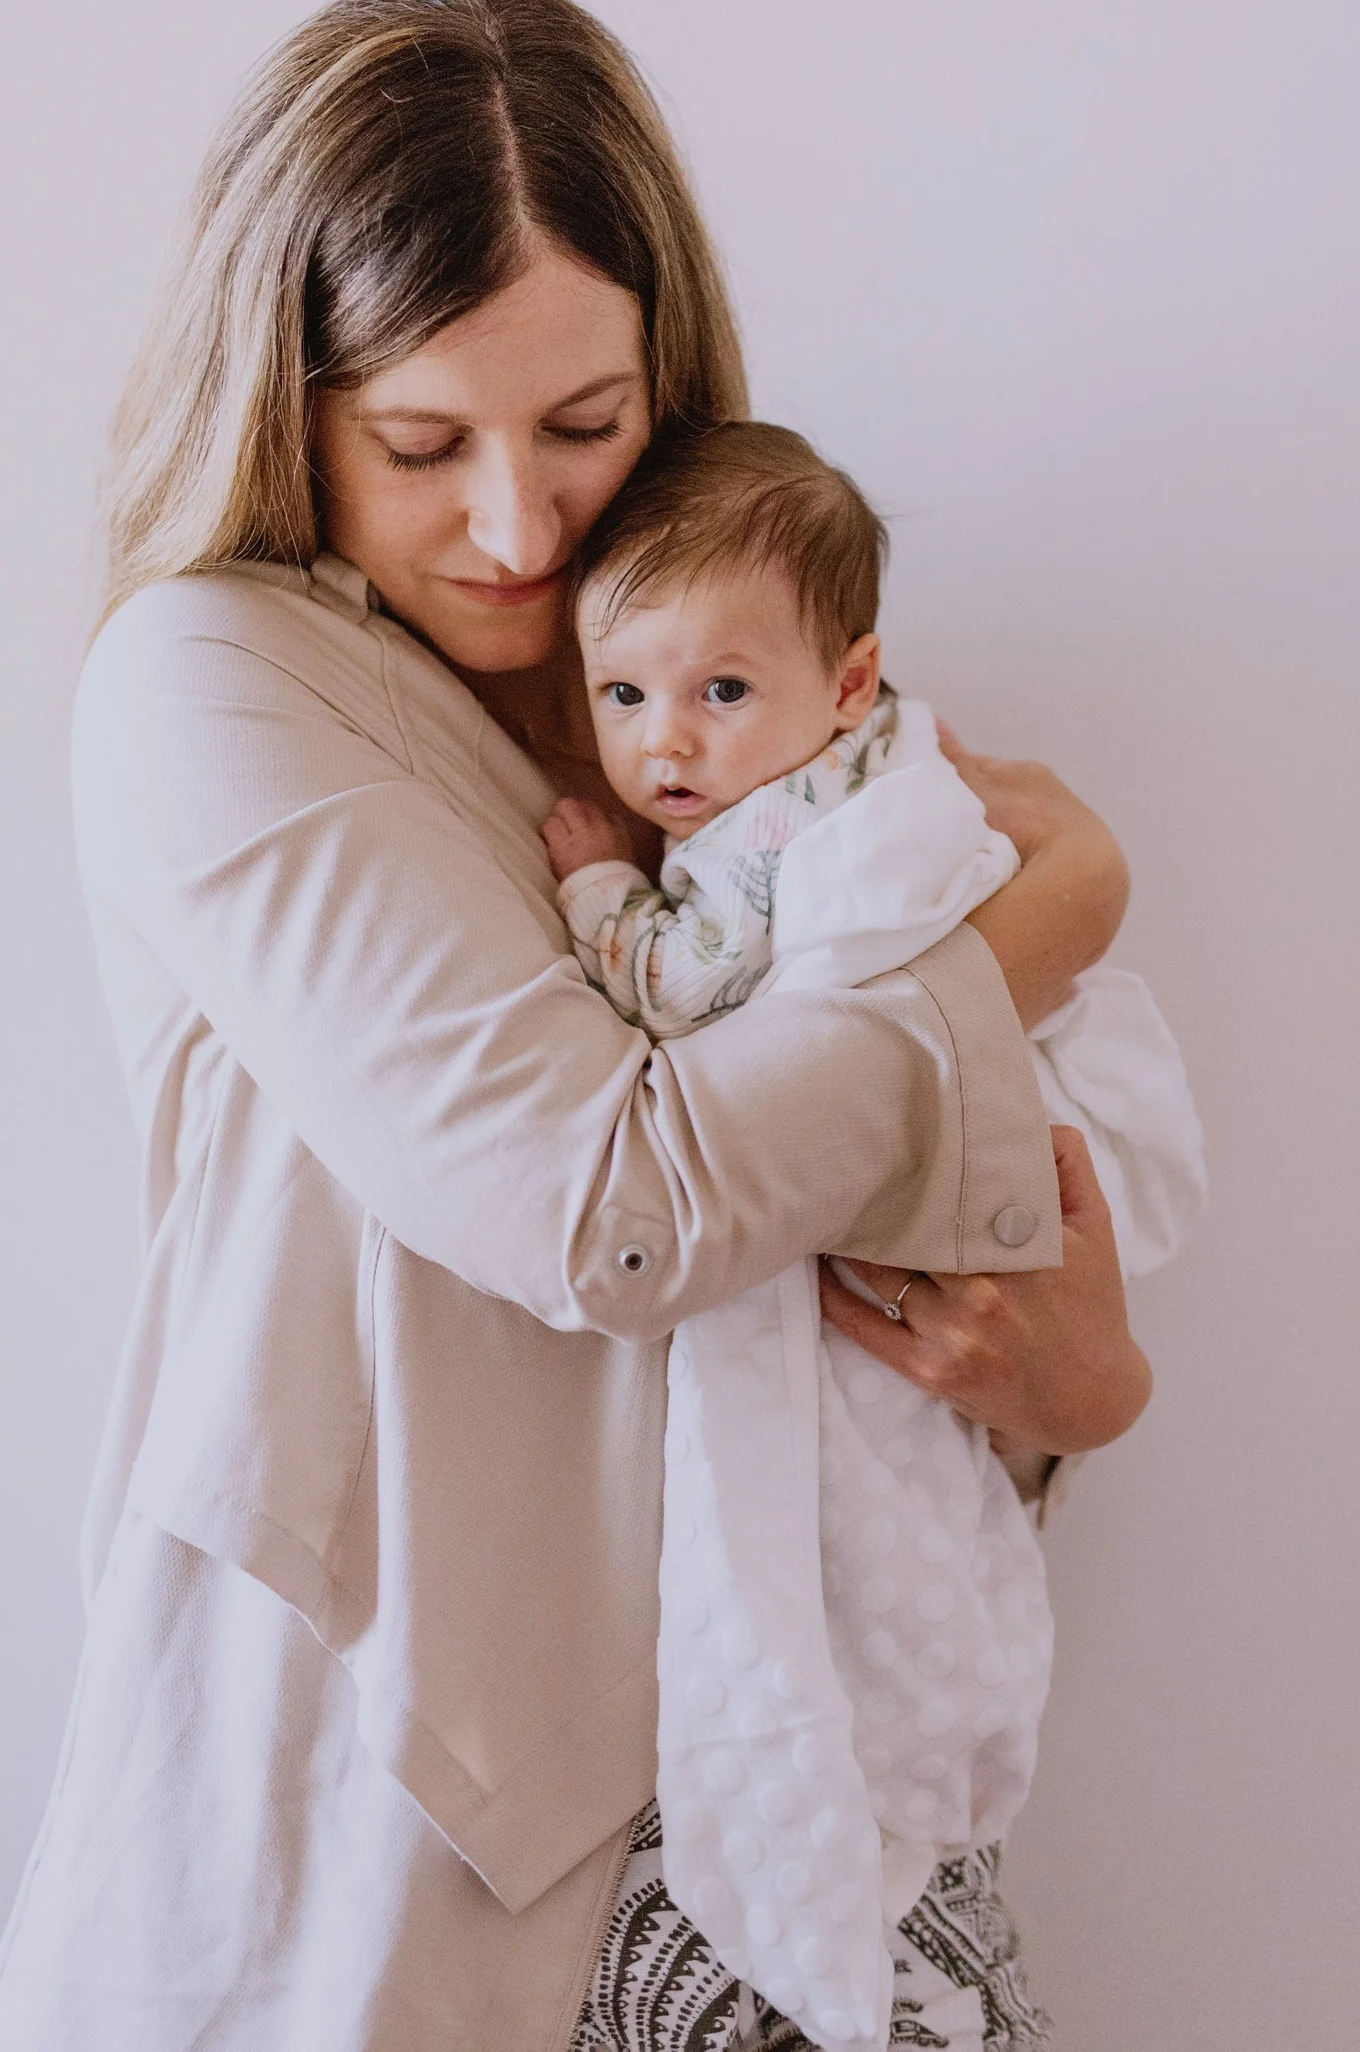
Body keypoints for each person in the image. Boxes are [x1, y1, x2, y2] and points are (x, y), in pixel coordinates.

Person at [0, 0, 1148, 2052]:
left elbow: (887, 1286)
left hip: (802, 1786)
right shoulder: (213, 689)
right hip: (385, 1846)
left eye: (584, 429)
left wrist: (1064, 1386)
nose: (518, 528)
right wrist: (1035, 926)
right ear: (285, 397)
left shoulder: (729, 709)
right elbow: (607, 1207)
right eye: (420, 442)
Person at [541, 421, 1204, 2048]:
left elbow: (688, 990)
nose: (666, 746)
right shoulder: (843, 777)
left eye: (718, 693)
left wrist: (591, 898)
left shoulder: (783, 839)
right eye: (623, 696)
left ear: (850, 688)